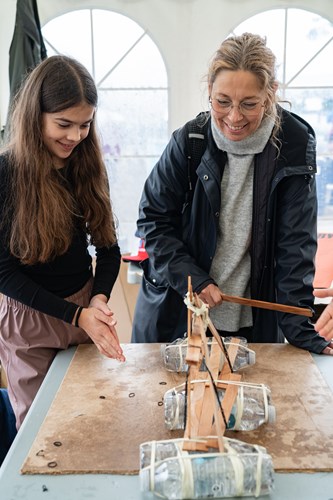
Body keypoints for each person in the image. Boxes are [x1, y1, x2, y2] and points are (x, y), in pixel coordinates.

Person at [131, 32, 333, 357]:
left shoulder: (293, 146)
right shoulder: (189, 141)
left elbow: (295, 248)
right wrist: (194, 279)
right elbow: (153, 224)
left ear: (270, 94)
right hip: (179, 316)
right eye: (222, 101)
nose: (234, 117)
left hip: (252, 323)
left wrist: (302, 330)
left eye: (249, 104)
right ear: (209, 90)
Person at [0, 55, 125, 430]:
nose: (74, 136)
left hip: (84, 309)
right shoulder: (6, 174)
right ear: (34, 116)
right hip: (28, 321)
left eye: (85, 125)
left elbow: (108, 248)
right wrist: (78, 315)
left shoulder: (85, 165)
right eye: (63, 124)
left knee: (90, 423)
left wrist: (98, 298)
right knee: (41, 433)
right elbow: (3, 272)